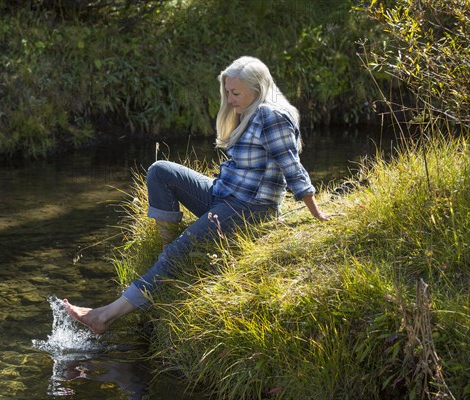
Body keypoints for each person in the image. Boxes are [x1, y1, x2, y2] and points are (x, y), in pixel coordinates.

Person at [63, 56, 334, 334]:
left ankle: (104, 316)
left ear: (259, 88)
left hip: (249, 208)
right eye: (227, 92)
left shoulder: (271, 116)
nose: (229, 100)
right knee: (160, 171)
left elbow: (292, 167)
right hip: (222, 194)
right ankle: (167, 251)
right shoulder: (250, 112)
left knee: (178, 253)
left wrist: (316, 212)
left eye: (235, 93)